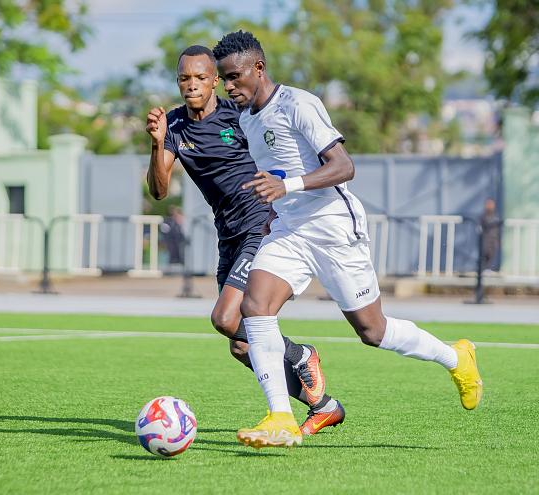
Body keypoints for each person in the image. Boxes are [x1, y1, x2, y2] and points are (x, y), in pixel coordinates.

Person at [213, 31, 483, 449]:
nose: (229, 86)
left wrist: (289, 186)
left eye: (234, 77)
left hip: (334, 228)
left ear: (259, 68)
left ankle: (456, 357)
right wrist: (274, 212)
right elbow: (278, 173)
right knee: (254, 307)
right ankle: (280, 417)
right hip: (289, 231)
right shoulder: (247, 119)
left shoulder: (298, 104)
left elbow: (343, 166)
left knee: (373, 331)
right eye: (224, 79)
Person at [146, 45, 345, 434]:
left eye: (200, 77)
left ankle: (298, 354)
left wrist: (285, 203)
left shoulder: (238, 116)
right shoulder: (174, 126)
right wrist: (157, 143)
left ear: (214, 81)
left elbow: (277, 154)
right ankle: (323, 404)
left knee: (225, 318)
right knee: (240, 344)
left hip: (261, 225)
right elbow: (158, 191)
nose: (192, 85)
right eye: (184, 78)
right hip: (228, 235)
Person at [480, 198, 501, 273]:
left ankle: (488, 269)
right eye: (488, 204)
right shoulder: (483, 216)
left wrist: (498, 240)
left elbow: (498, 230)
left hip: (493, 240)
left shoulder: (496, 216)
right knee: (485, 255)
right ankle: (483, 269)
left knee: (491, 254)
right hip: (485, 239)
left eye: (491, 204)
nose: (490, 206)